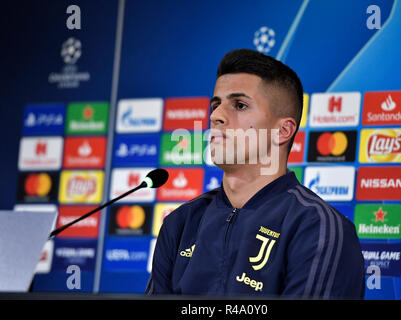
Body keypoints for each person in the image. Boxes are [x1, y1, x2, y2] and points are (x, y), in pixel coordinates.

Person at [145, 49, 365, 299]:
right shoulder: (181, 222)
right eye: (215, 105)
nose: (216, 116)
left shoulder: (318, 228)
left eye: (239, 105)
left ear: (282, 131)